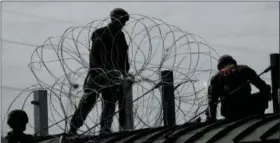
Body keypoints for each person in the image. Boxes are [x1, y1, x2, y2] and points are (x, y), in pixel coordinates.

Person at [69, 8, 130, 135]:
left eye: (125, 22)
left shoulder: (120, 36)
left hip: (113, 75)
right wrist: (96, 71)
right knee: (88, 101)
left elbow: (124, 56)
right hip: (97, 74)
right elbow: (94, 54)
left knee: (110, 102)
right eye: (122, 20)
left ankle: (105, 128)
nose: (123, 24)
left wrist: (124, 72)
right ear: (114, 19)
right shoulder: (100, 33)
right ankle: (73, 128)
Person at [207, 55, 271, 121]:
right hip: (240, 108)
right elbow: (262, 86)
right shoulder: (244, 69)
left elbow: (212, 100)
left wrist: (212, 118)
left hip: (239, 109)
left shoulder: (243, 70)